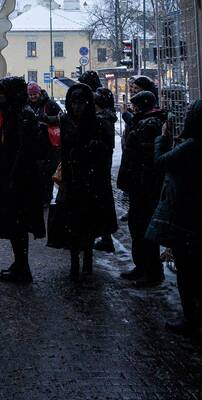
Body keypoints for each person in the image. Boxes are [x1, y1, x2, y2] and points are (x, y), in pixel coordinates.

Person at [147, 98, 202, 334]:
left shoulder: (193, 146)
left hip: (184, 215)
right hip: (200, 214)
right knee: (197, 266)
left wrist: (162, 138)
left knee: (187, 268)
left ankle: (192, 318)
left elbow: (160, 163)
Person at [49, 83, 118, 279]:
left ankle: (87, 261)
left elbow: (106, 151)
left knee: (87, 225)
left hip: (91, 180)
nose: (77, 107)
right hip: (73, 179)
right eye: (74, 103)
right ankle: (74, 262)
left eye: (81, 103)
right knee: (73, 224)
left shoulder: (98, 123)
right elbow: (64, 151)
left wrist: (92, 149)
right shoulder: (66, 121)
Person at [0, 76, 48, 283]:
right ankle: (19, 263)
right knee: (14, 224)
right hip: (13, 176)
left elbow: (24, 151)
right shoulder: (13, 114)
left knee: (19, 224)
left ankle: (23, 267)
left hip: (20, 180)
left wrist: (13, 178)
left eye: (1, 94)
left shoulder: (23, 116)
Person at [117, 90, 169, 287]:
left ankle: (152, 271)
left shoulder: (150, 123)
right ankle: (142, 266)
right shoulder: (145, 122)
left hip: (145, 185)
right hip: (139, 183)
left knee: (143, 228)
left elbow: (143, 154)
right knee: (137, 226)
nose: (132, 109)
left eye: (135, 106)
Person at [26, 81, 62, 205]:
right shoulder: (27, 105)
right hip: (33, 144)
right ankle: (38, 196)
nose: (32, 97)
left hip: (49, 144)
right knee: (35, 172)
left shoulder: (50, 104)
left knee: (47, 172)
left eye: (34, 94)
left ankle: (46, 198)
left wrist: (46, 120)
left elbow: (61, 118)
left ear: (39, 93)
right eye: (30, 95)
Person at [93, 87, 118, 253]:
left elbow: (101, 144)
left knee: (101, 202)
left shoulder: (101, 120)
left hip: (98, 167)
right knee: (103, 201)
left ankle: (105, 237)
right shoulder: (106, 118)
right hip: (101, 166)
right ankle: (105, 236)